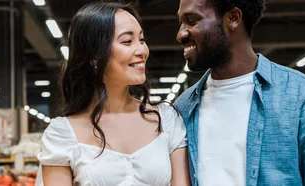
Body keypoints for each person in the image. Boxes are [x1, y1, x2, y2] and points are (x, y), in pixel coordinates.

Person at [172, 0, 305, 185]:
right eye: (181, 22)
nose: (180, 34)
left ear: (233, 19)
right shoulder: (183, 109)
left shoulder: (302, 96)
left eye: (192, 20)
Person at [36, 2, 191, 186]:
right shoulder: (62, 135)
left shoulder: (167, 121)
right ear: (94, 55)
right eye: (127, 41)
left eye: (142, 40)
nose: (142, 50)